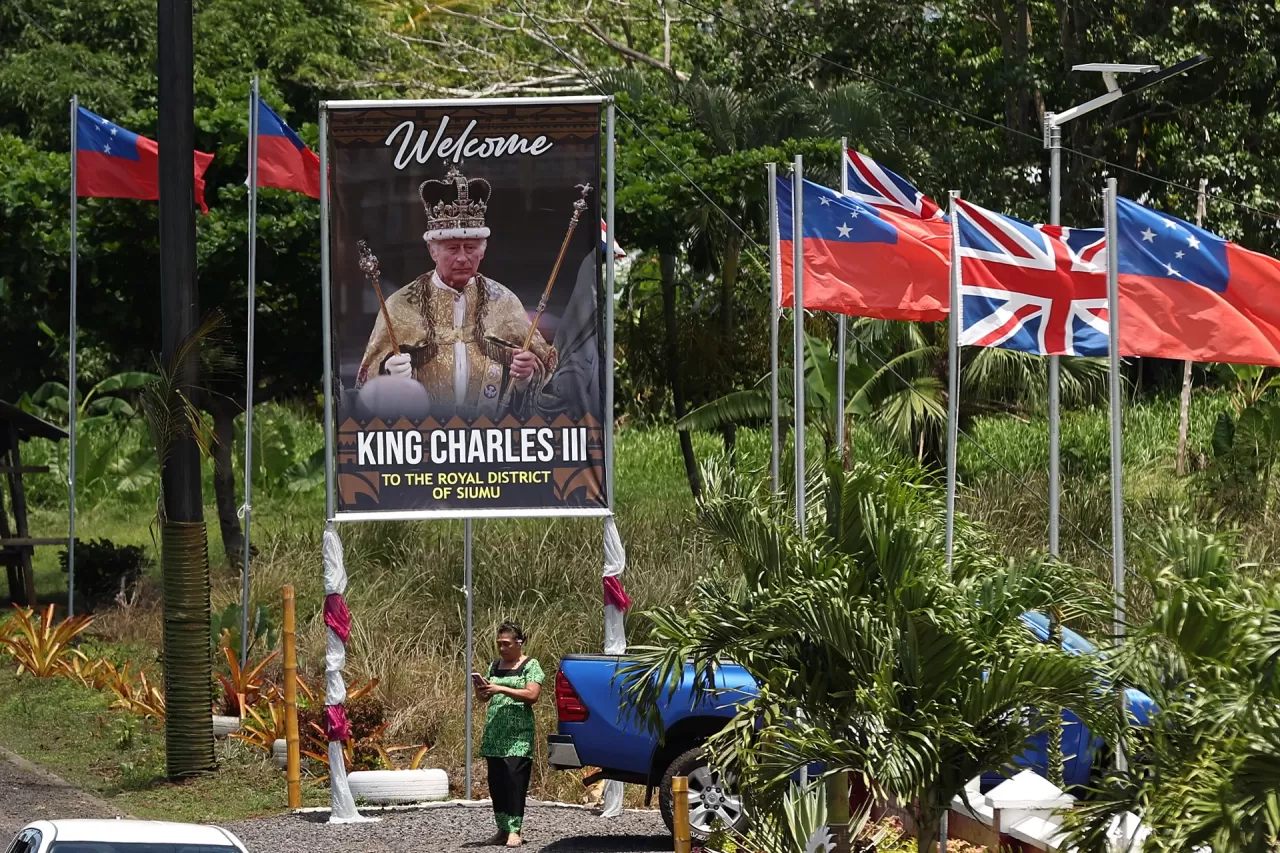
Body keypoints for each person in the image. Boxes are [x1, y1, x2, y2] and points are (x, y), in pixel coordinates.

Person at [355, 165, 556, 421]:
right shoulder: (400, 305)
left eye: (470, 247)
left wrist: (526, 374)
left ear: (482, 251)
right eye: (452, 248)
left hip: (490, 437)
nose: (462, 257)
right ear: (432, 250)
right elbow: (367, 380)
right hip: (424, 439)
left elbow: (543, 370)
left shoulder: (503, 301)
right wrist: (387, 373)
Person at [476, 620, 545, 847]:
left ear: (519, 642)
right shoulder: (495, 665)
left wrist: (501, 688)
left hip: (518, 733)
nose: (502, 648)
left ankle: (515, 829)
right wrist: (483, 691)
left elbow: (532, 695)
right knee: (497, 782)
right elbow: (485, 698)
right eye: (499, 644)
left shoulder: (530, 665)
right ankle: (502, 828)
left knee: (515, 779)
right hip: (496, 731)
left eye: (506, 644)